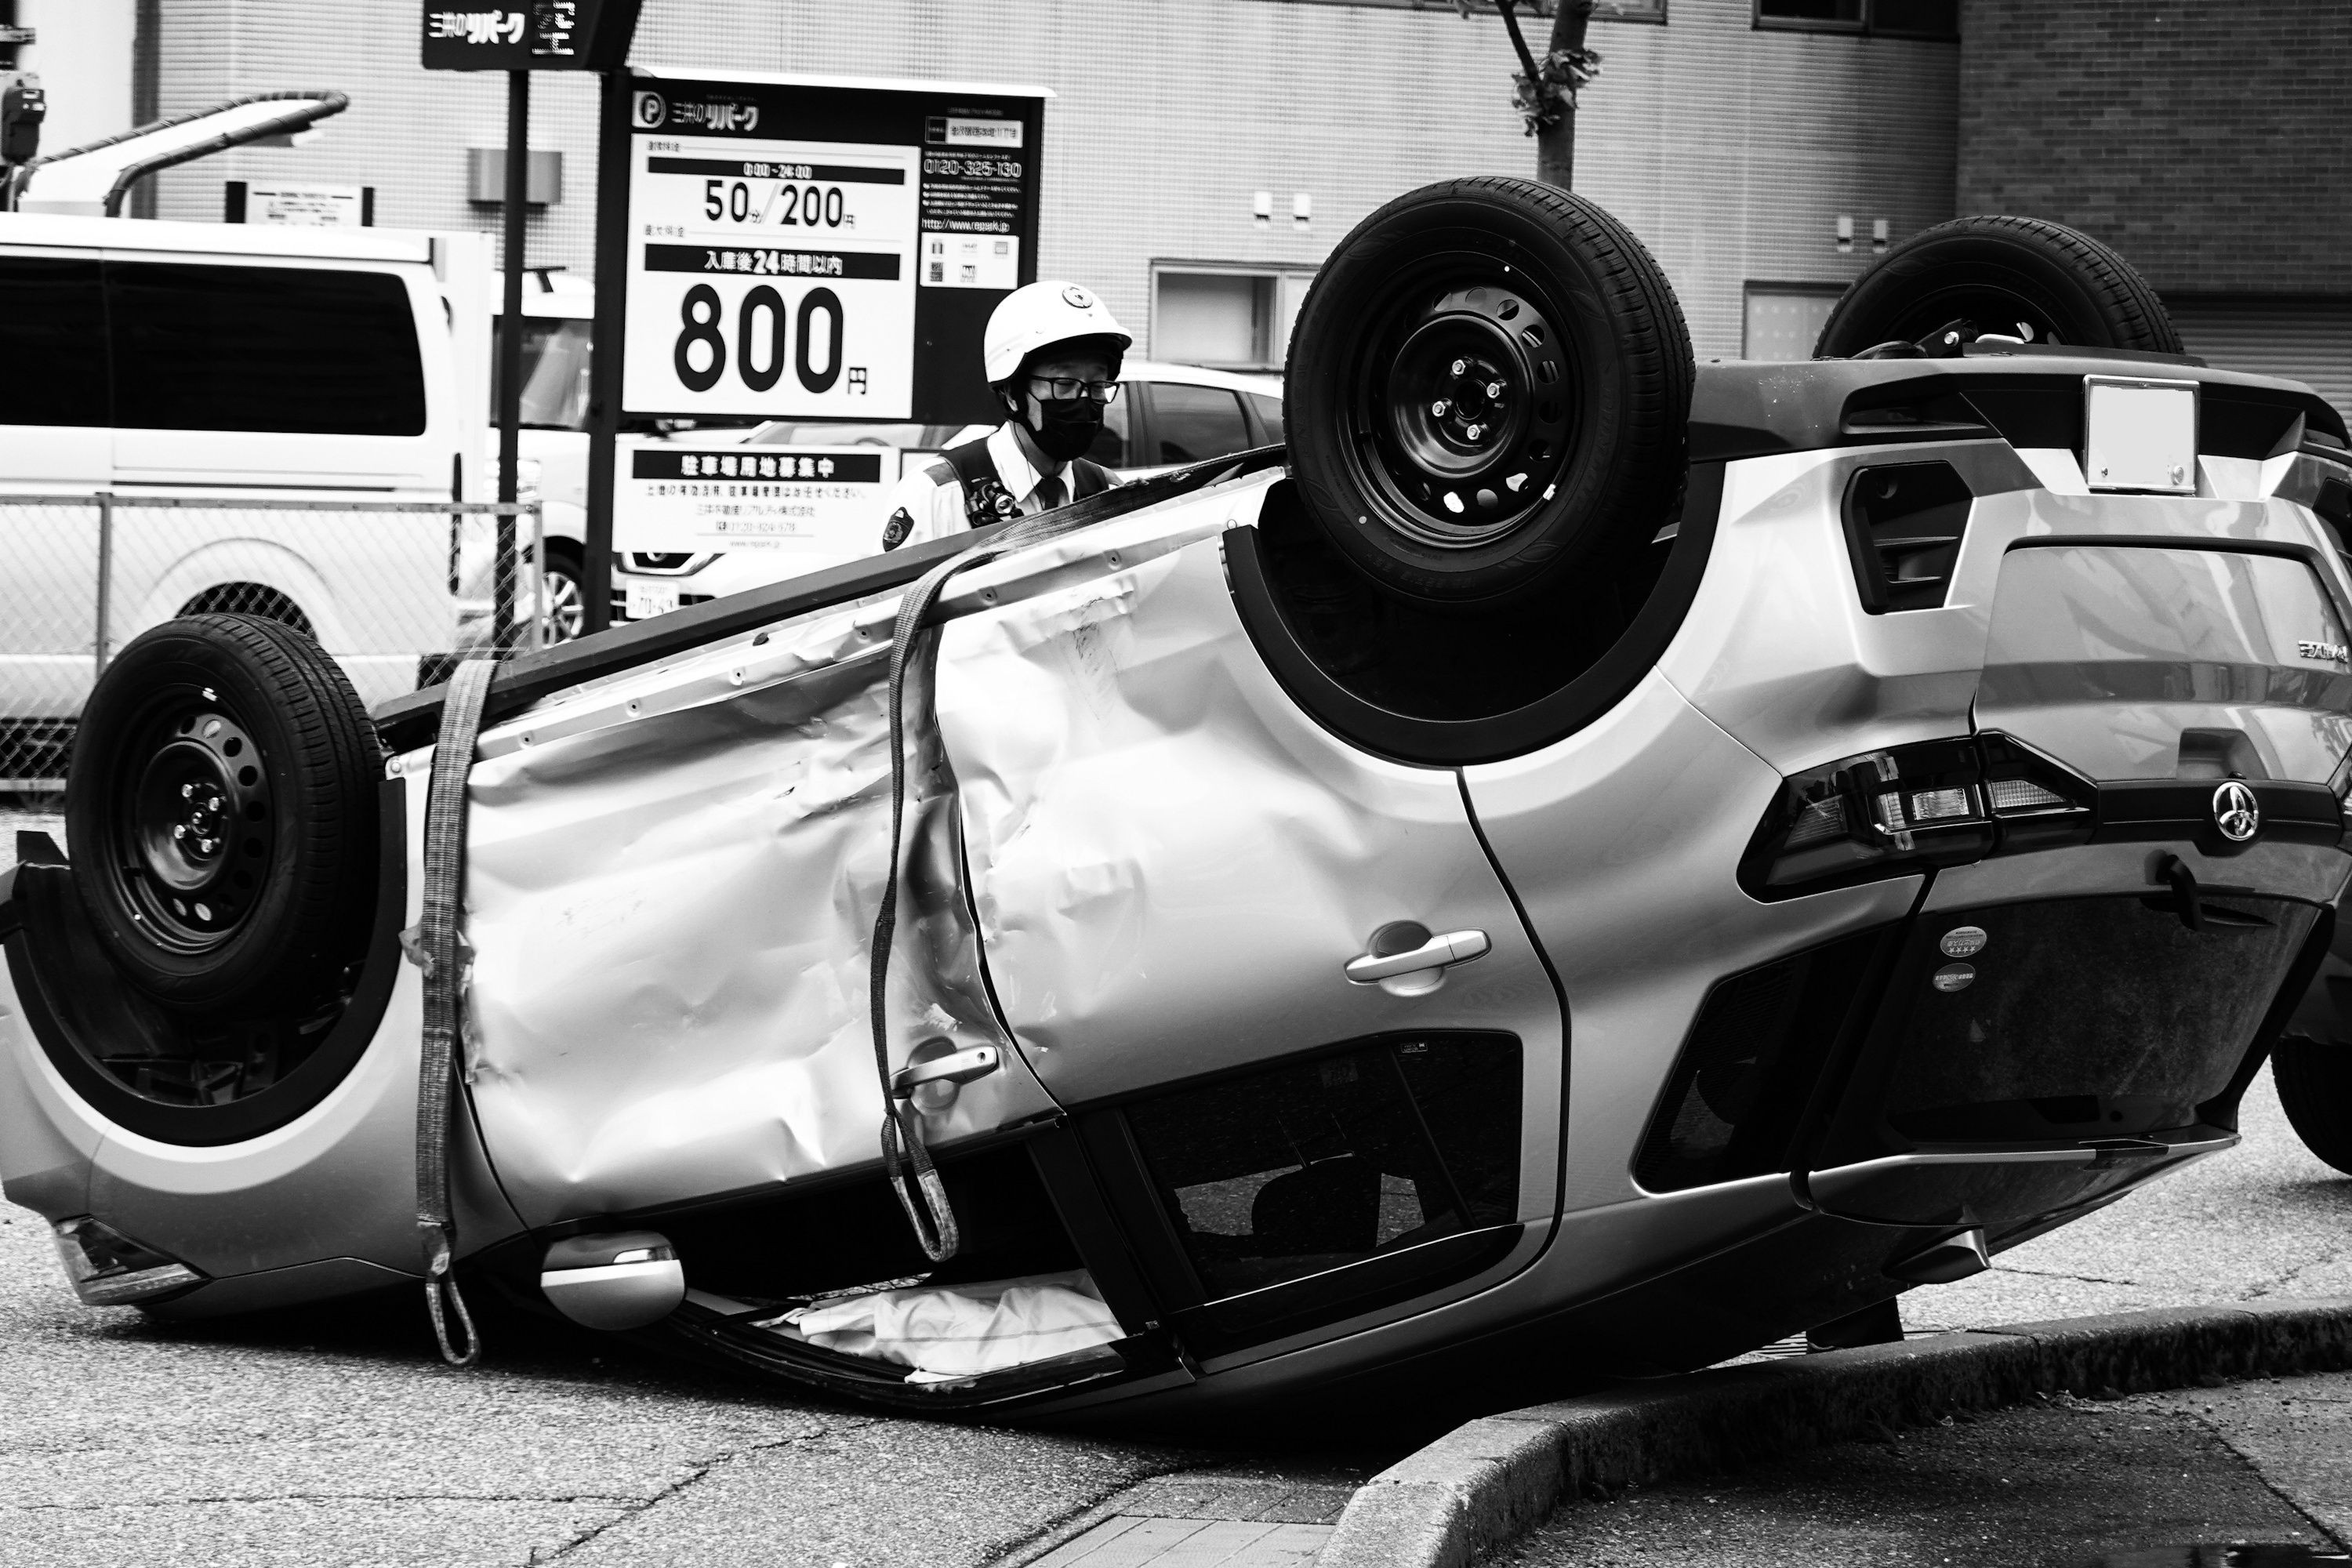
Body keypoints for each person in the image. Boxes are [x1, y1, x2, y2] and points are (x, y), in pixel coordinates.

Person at [879, 281, 1129, 552]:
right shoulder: (937, 495)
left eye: (1098, 385)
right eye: (1064, 383)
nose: (1083, 399)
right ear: (1012, 393)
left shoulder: (1111, 494)